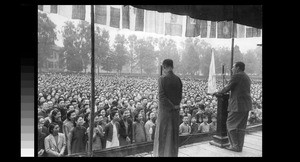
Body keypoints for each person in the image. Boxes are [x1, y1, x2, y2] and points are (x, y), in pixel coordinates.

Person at [213, 61, 252, 152]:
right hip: (246, 105)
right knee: (241, 127)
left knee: (230, 124)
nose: (232, 69)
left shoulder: (237, 76)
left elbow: (227, 88)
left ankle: (235, 145)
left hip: (237, 105)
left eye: (233, 67)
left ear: (238, 68)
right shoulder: (246, 76)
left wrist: (217, 91)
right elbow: (236, 86)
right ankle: (239, 146)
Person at [153, 59, 183, 157]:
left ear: (164, 67)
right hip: (175, 113)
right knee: (173, 137)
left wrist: (172, 106)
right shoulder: (178, 79)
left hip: (165, 113)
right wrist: (176, 106)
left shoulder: (162, 79)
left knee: (163, 136)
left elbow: (162, 97)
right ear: (172, 67)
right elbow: (180, 96)